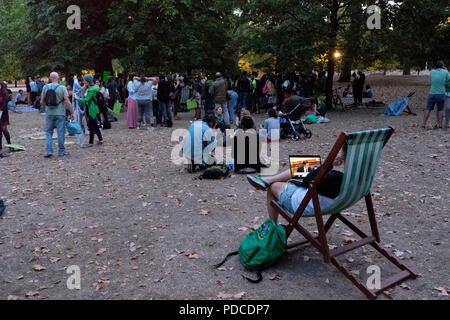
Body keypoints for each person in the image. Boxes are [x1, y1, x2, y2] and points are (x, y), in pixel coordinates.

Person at [247, 145, 347, 223]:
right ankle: (268, 180)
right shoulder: (355, 179)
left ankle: (273, 228)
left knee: (273, 187)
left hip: (303, 203)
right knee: (306, 166)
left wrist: (327, 164)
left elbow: (309, 181)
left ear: (343, 156)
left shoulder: (336, 178)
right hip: (332, 201)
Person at [40, 72, 75, 158]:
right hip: (60, 113)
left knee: (48, 132)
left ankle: (49, 151)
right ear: (58, 78)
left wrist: (45, 109)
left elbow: (41, 101)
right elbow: (67, 101)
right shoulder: (62, 88)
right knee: (60, 132)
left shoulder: (45, 87)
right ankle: (61, 151)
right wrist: (72, 113)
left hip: (49, 113)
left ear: (50, 78)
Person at [75, 74, 103, 146]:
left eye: (84, 80)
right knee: (95, 126)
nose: (83, 81)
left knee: (91, 126)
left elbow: (86, 99)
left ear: (88, 81)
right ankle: (100, 139)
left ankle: (90, 143)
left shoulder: (91, 90)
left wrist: (77, 98)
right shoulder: (95, 87)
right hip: (94, 108)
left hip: (92, 110)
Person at [422, 61, 450, 130]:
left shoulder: (432, 72)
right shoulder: (445, 72)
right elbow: (448, 80)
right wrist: (446, 70)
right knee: (440, 109)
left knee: (428, 109)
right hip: (441, 94)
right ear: (442, 66)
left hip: (432, 93)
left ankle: (423, 124)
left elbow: (432, 79)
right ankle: (440, 126)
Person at [0, 82, 13, 158]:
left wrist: (1, 111)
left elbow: (5, 103)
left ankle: (10, 144)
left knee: (4, 129)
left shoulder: (4, 93)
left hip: (3, 113)